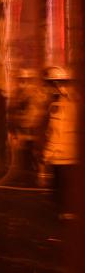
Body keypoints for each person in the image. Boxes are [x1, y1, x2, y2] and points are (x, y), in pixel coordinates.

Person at [40, 66, 79, 219]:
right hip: (71, 156)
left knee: (62, 193)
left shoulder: (59, 106)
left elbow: (56, 134)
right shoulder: (74, 101)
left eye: (48, 85)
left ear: (55, 84)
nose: (46, 89)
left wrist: (45, 156)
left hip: (62, 157)